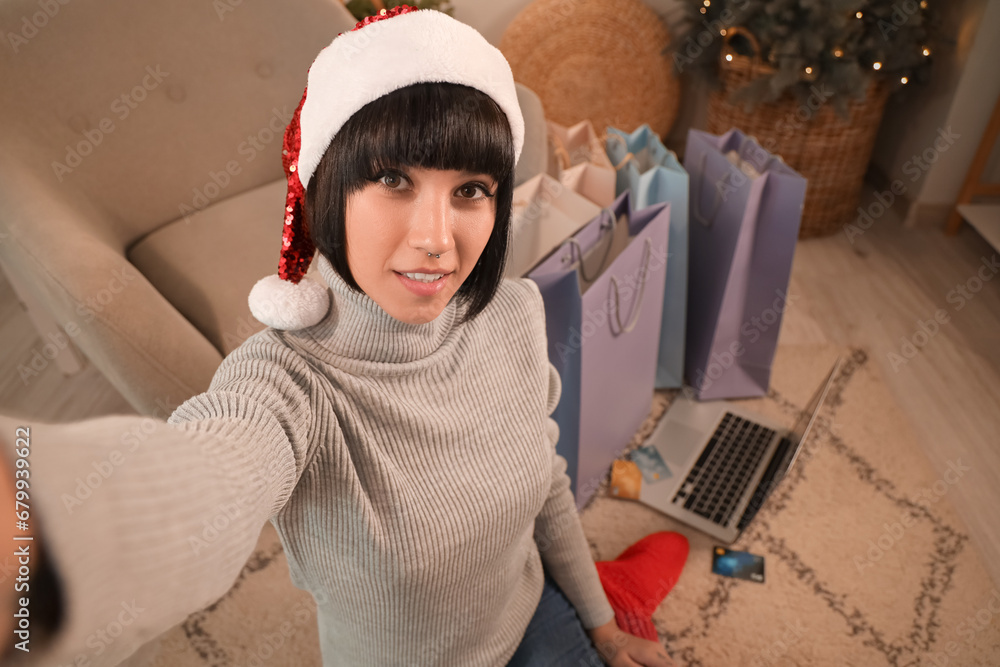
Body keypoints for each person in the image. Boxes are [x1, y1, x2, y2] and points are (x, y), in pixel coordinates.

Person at [0, 6, 688, 666]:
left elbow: (544, 478)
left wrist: (599, 618)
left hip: (537, 619)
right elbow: (208, 473)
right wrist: (38, 528)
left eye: (471, 189)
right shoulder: (289, 384)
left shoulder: (514, 313)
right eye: (393, 179)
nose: (435, 240)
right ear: (328, 189)